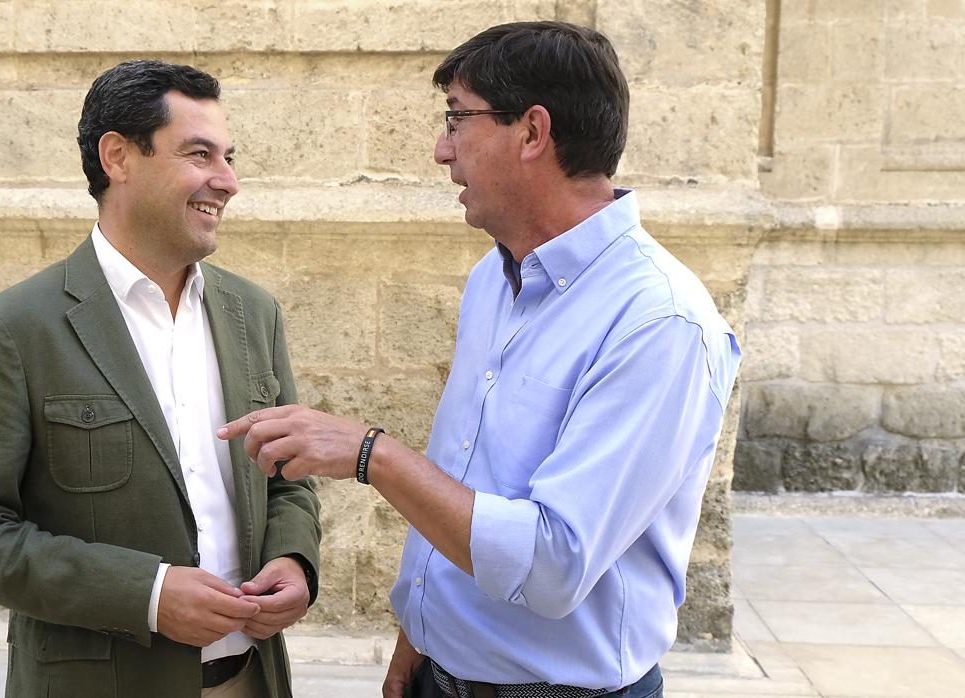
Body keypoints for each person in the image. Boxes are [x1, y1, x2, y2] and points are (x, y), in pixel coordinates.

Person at [219, 21, 740, 698]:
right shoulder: (495, 279)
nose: (441, 151)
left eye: (456, 119)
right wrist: (420, 635)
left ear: (531, 132)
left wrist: (369, 453)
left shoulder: (658, 323)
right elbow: (468, 471)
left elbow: (553, 565)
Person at [0, 59, 321, 698]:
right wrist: (148, 595)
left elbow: (287, 480)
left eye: (228, 157)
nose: (228, 181)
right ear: (118, 156)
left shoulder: (255, 314)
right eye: (200, 155)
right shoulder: (14, 329)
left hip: (250, 678)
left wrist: (294, 559)